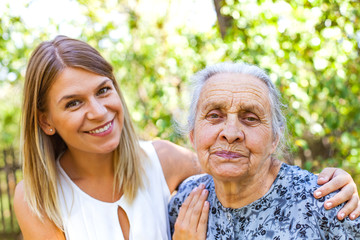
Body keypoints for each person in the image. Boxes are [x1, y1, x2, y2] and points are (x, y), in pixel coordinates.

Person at [13, 36, 358, 240]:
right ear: (45, 120)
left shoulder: (162, 161)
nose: (99, 111)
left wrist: (331, 183)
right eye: (73, 103)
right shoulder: (38, 197)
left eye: (103, 90)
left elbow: (243, 161)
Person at [169, 62, 360, 239]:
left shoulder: (326, 203)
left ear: (274, 138)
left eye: (250, 118)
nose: (231, 133)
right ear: (193, 135)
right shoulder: (186, 200)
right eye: (214, 115)